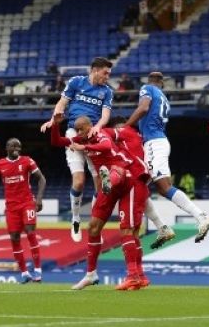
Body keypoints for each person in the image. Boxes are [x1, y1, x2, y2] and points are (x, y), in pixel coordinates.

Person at [51, 114, 149, 291]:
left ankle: (134, 276)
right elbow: (57, 141)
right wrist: (55, 125)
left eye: (81, 128)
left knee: (127, 229)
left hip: (127, 178)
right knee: (94, 227)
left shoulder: (100, 134)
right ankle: (91, 274)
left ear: (90, 126)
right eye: (77, 129)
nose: (79, 132)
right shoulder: (79, 138)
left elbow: (105, 145)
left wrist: (84, 146)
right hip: (110, 185)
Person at [125, 71, 209, 243]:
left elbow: (143, 108)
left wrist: (126, 126)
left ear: (149, 81)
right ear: (162, 83)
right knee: (144, 185)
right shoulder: (164, 98)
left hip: (154, 143)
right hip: (158, 142)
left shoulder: (147, 89)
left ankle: (199, 217)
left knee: (158, 186)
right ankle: (164, 227)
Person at [40, 57, 114, 243]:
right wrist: (53, 120)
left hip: (93, 135)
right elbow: (61, 104)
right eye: (105, 73)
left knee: (101, 185)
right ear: (95, 70)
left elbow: (105, 115)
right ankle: (75, 220)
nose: (107, 77)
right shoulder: (76, 82)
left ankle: (96, 224)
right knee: (79, 182)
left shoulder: (106, 92)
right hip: (73, 132)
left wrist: (98, 127)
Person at [105, 116, 175, 250]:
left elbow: (104, 134)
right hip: (144, 171)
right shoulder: (133, 136)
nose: (121, 130)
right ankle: (162, 227)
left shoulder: (125, 135)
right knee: (143, 201)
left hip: (138, 173)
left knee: (130, 230)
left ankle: (134, 268)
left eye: (121, 127)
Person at [0, 138, 46, 284]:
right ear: (7, 147)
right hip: (11, 207)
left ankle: (38, 270)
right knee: (14, 238)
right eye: (14, 145)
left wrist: (38, 199)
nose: (17, 148)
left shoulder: (27, 161)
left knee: (30, 232)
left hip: (27, 203)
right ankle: (24, 273)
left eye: (19, 146)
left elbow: (42, 179)